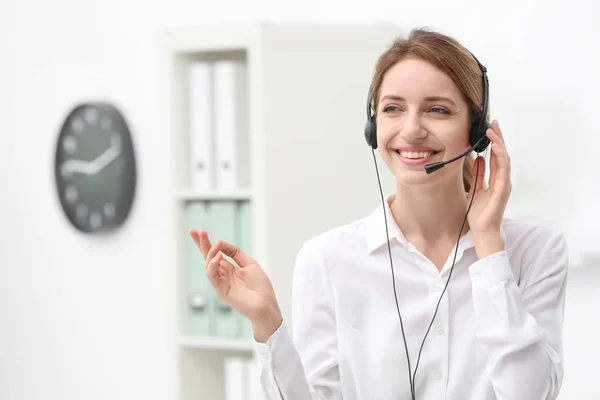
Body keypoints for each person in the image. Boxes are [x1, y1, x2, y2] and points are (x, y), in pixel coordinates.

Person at [189, 28, 568, 400]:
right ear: (373, 127)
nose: (412, 129)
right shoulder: (326, 260)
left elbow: (530, 393)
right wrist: (266, 321)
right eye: (393, 109)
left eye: (437, 109)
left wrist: (488, 245)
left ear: (477, 130)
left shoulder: (536, 253)